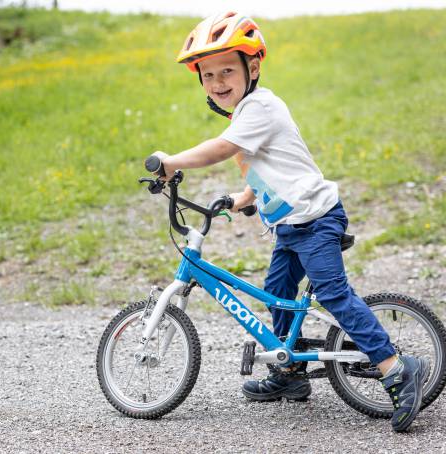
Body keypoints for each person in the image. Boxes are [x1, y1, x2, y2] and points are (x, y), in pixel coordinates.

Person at [148, 11, 429, 432]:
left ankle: (395, 367)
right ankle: (289, 373)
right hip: (291, 227)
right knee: (278, 292)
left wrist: (171, 161)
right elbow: (268, 167)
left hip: (316, 220)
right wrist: (243, 198)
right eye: (208, 75)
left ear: (253, 67)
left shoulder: (261, 106)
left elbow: (221, 150)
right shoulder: (243, 114)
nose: (218, 82)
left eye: (227, 70)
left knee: (334, 295)